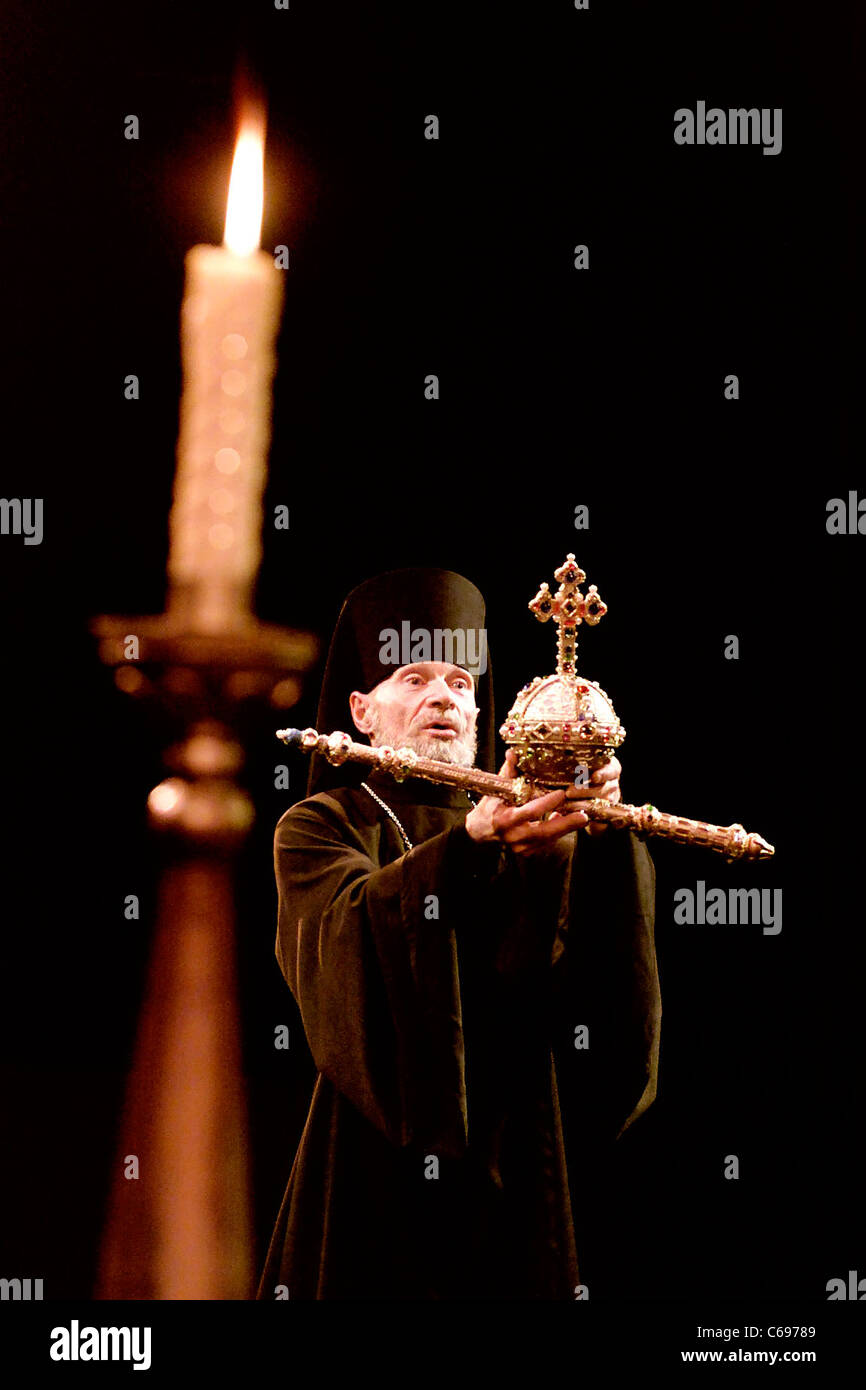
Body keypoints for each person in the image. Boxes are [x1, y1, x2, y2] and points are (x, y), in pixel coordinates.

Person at [256, 567, 660, 1300]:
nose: (444, 696)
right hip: (370, 1174)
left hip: (517, 1160)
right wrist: (470, 850)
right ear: (361, 711)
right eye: (414, 679)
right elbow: (346, 941)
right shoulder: (323, 823)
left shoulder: (533, 830)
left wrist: (594, 842)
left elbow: (572, 995)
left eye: (461, 683)